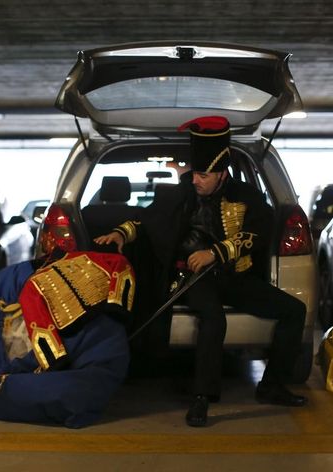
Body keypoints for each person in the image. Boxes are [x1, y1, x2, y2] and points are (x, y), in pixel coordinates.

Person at [94, 115, 308, 427]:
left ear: (222, 174)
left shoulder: (246, 195)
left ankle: (272, 384)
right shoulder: (183, 193)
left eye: (204, 175)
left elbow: (256, 235)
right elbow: (149, 218)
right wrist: (122, 234)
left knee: (294, 310)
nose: (196, 179)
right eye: (195, 172)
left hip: (235, 276)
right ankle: (201, 398)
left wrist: (215, 253)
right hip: (194, 279)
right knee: (213, 318)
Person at [0, 248, 135, 429]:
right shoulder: (25, 285)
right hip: (61, 344)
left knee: (73, 389)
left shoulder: (31, 286)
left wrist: (53, 359)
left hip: (65, 345)